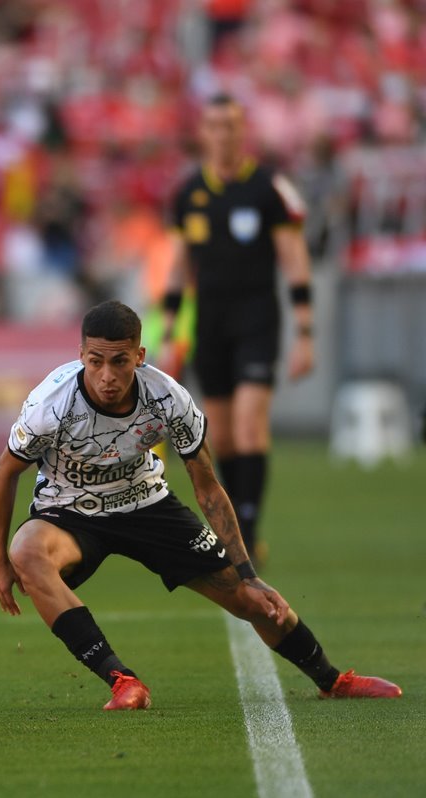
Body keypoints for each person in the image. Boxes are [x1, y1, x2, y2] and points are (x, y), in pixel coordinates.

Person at [0, 300, 401, 710]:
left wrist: (249, 573)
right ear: (81, 356)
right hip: (70, 510)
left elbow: (207, 488)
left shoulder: (168, 399)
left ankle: (331, 679)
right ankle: (122, 680)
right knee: (26, 552)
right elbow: (5, 473)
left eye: (119, 362)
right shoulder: (52, 405)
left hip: (146, 503)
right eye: (95, 362)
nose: (107, 376)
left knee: (247, 599)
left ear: (139, 356)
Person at [160, 93, 315, 567]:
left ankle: (245, 532)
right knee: (221, 437)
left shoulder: (269, 188)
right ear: (203, 133)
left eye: (230, 125)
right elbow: (179, 263)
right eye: (213, 125)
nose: (222, 134)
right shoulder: (189, 193)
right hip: (210, 324)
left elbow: (292, 254)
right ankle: (237, 531)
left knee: (251, 427)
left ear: (242, 130)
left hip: (257, 321)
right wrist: (168, 326)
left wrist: (306, 329)